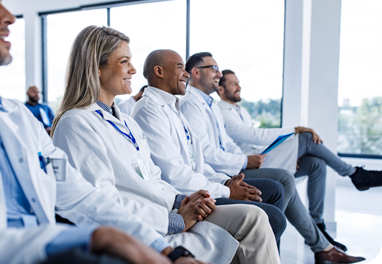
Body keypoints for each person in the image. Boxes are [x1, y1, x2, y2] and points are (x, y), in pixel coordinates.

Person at [0, 1, 203, 263]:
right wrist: (96, 237)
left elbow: (81, 195)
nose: (9, 17)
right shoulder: (75, 122)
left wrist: (167, 251)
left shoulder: (16, 118)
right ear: (97, 68)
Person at [51, 25, 281, 264]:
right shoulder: (76, 123)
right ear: (97, 68)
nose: (132, 70)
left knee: (255, 217)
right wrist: (174, 220)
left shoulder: (126, 121)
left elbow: (154, 178)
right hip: (145, 226)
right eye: (124, 61)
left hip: (168, 208)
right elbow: (101, 202)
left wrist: (182, 200)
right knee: (254, 223)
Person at [180, 52, 366, 264]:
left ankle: (314, 243)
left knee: (312, 165)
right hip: (223, 171)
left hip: (234, 164)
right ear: (196, 72)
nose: (218, 73)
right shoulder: (192, 105)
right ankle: (306, 243)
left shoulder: (210, 105)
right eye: (214, 68)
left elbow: (228, 144)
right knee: (286, 176)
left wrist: (247, 158)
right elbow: (205, 153)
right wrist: (244, 162)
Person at [132, 49, 287, 247]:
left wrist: (225, 180)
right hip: (188, 197)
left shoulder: (172, 107)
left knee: (274, 190)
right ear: (159, 71)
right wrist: (226, 191)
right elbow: (175, 176)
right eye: (180, 67)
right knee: (273, 217)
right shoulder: (149, 110)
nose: (186, 74)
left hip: (202, 186)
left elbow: (197, 162)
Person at [217, 69, 382, 250]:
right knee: (305, 138)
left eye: (238, 82)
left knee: (315, 164)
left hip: (258, 157)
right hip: (246, 165)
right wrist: (293, 129)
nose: (239, 86)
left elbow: (252, 145)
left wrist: (289, 154)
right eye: (233, 83)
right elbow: (255, 136)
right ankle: (355, 174)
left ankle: (318, 224)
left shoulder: (239, 111)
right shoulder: (223, 112)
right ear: (221, 90)